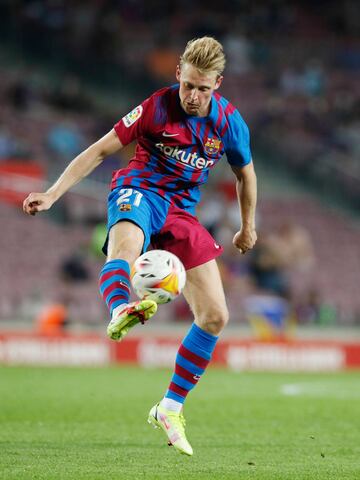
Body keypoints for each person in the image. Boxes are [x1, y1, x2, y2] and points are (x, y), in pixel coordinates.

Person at [23, 37, 257, 456]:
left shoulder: (229, 123)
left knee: (216, 316)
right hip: (140, 191)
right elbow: (99, 151)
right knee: (125, 246)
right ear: (177, 76)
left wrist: (247, 226)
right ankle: (119, 310)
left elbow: (246, 175)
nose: (193, 95)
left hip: (182, 214)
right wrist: (54, 193)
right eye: (188, 85)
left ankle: (169, 407)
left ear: (217, 84)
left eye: (203, 88)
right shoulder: (155, 107)